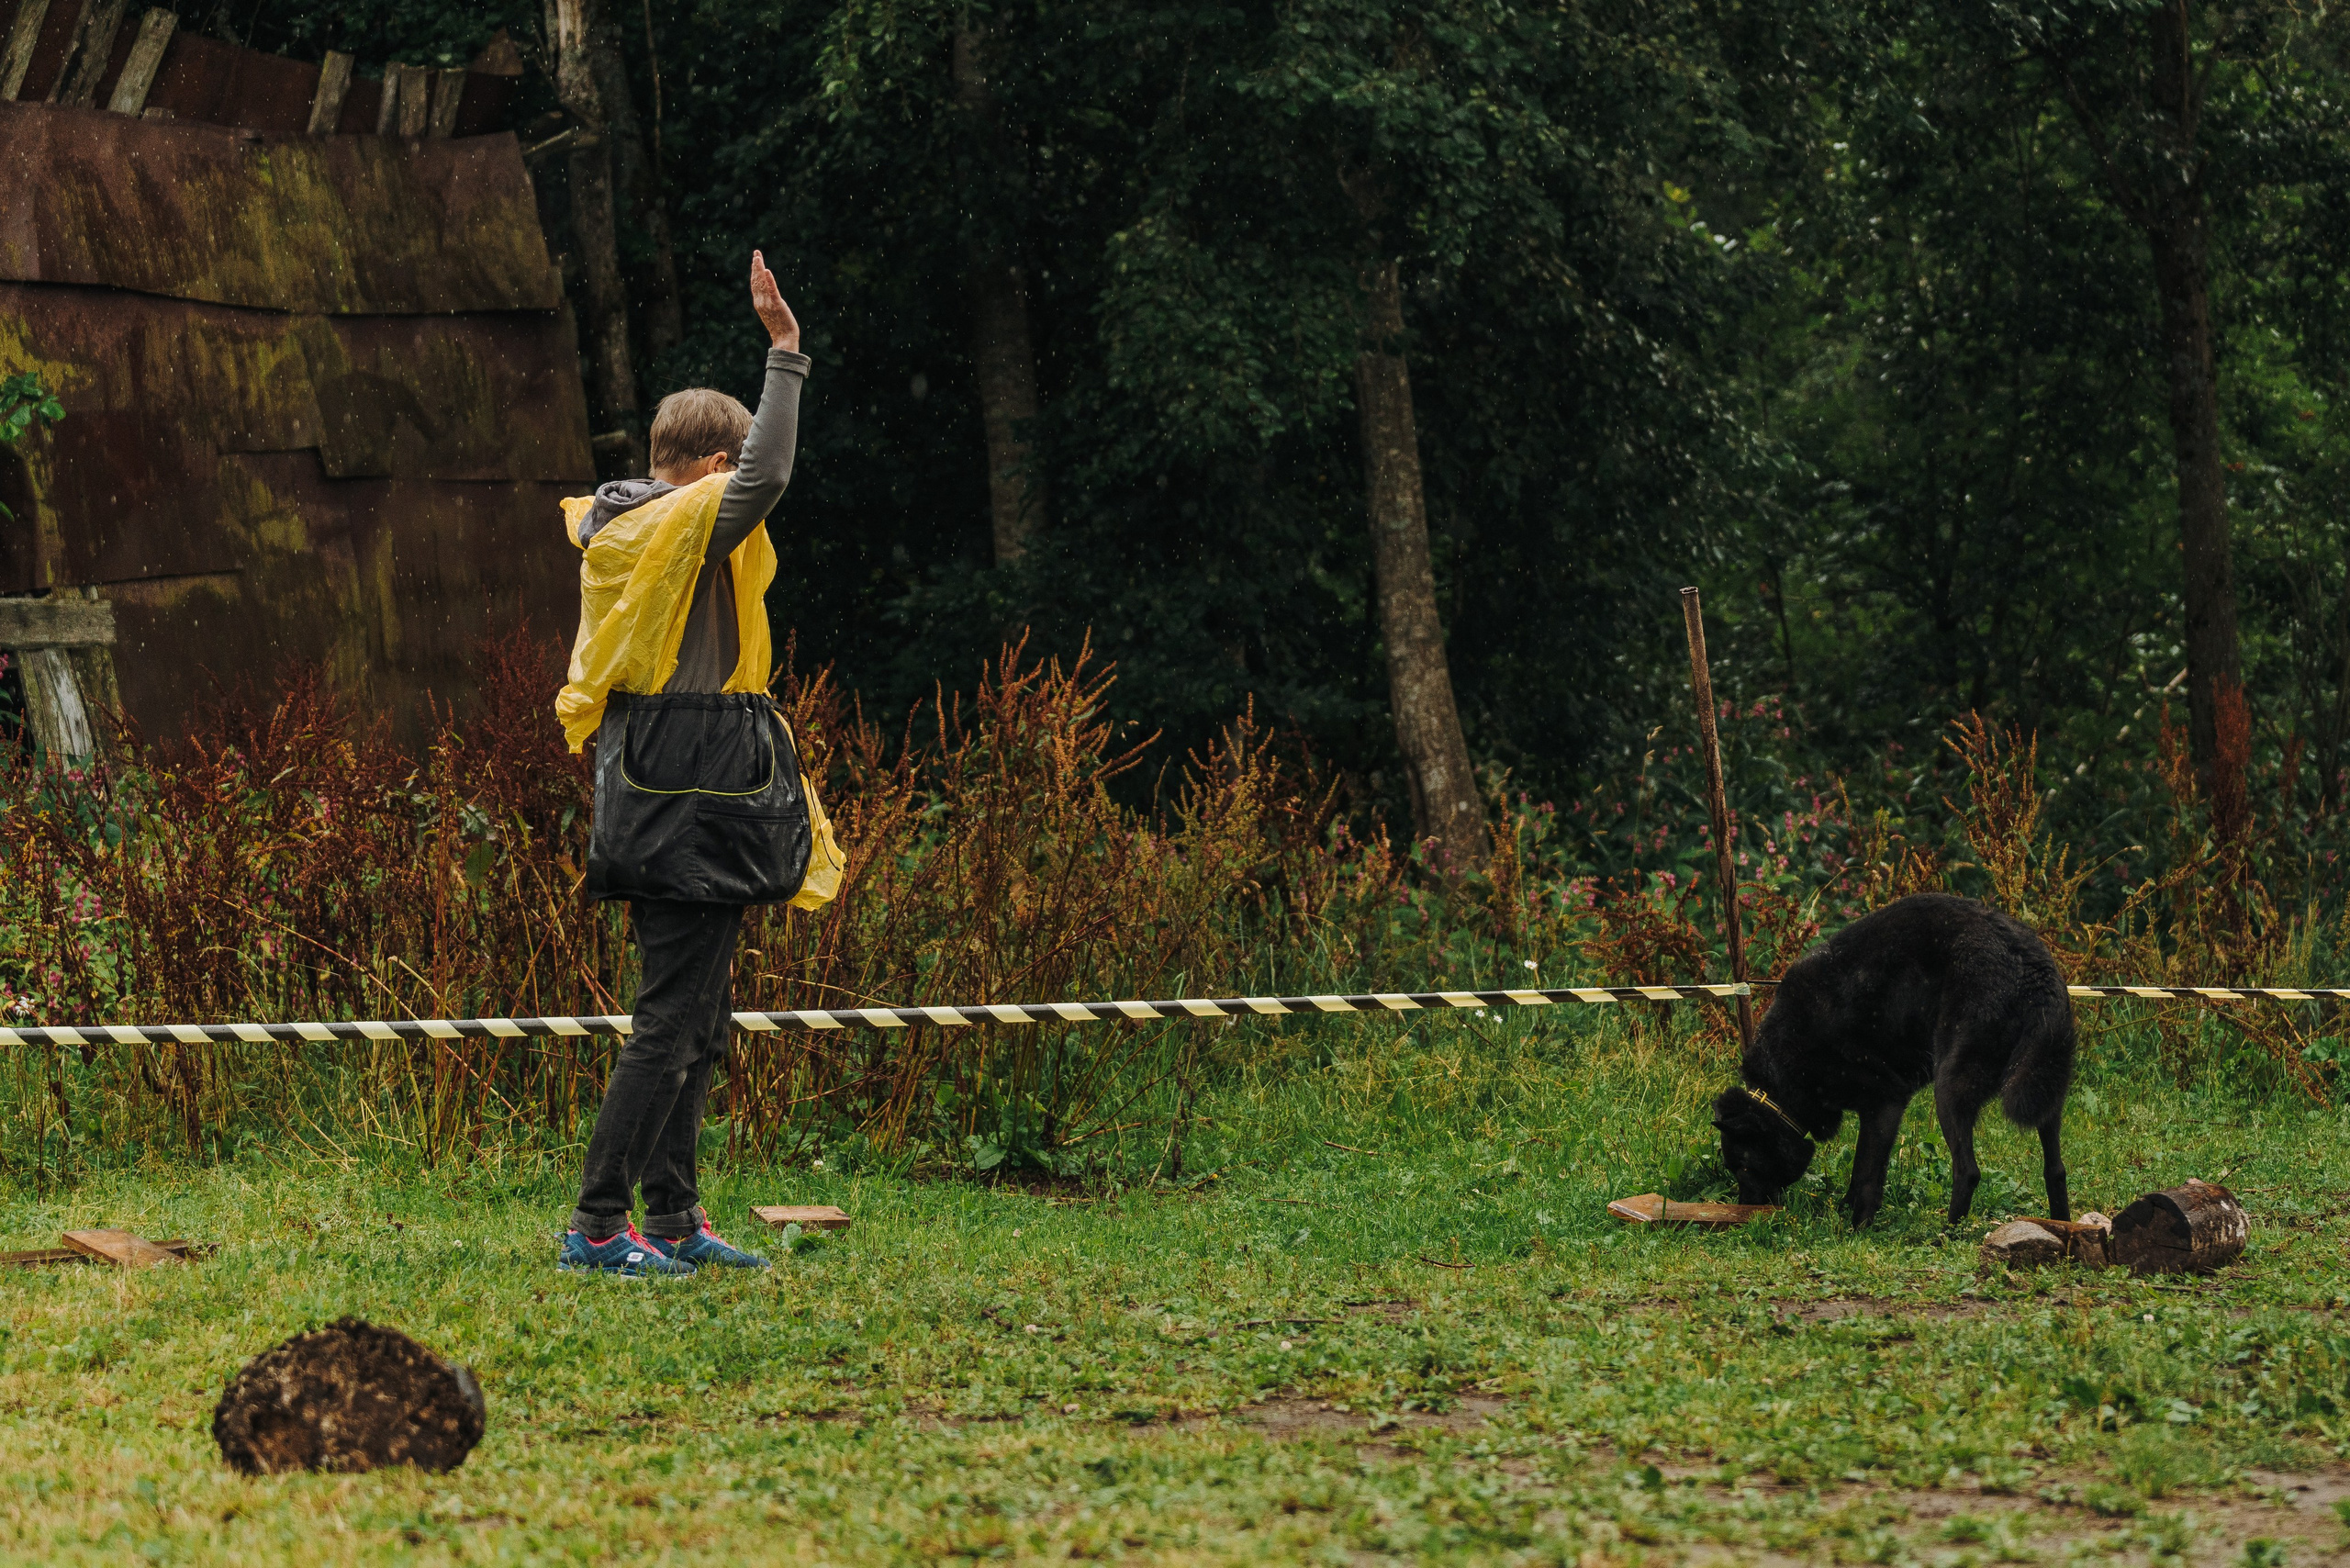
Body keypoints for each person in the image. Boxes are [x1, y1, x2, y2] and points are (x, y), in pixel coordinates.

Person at [552, 252, 812, 1277]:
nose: (741, 500)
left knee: (698, 1018)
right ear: (708, 470)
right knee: (668, 1020)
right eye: (728, 476)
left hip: (682, 781)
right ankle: (595, 1227)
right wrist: (784, 354)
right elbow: (768, 476)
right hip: (682, 787)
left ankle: (670, 1216)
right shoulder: (667, 523)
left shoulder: (646, 524)